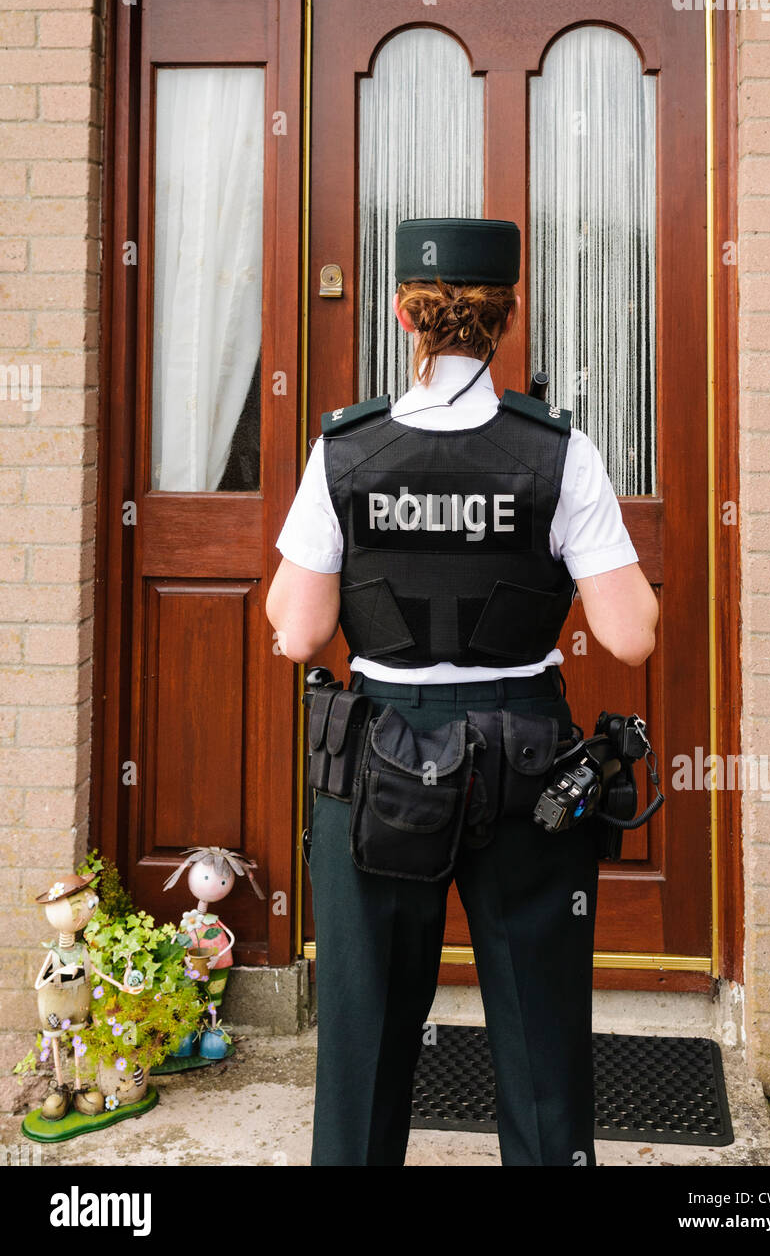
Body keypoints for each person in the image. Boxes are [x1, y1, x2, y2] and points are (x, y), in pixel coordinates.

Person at [266, 217, 659, 1167]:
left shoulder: (345, 450)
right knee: (539, 1029)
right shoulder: (558, 452)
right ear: (507, 315)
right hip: (527, 756)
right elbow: (629, 635)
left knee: (363, 1035)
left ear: (406, 314)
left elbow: (300, 633)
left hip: (383, 759)